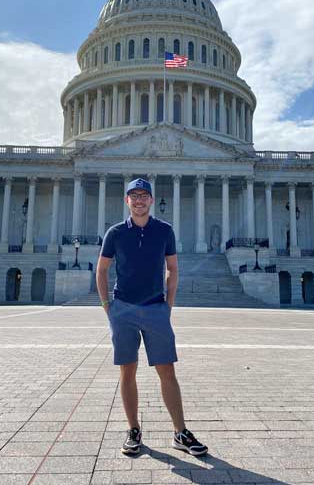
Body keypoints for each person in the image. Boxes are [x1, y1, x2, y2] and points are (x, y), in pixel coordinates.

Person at [96, 177, 208, 457]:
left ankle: (180, 432)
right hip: (123, 308)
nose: (139, 200)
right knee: (127, 370)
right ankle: (133, 430)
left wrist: (167, 306)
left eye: (144, 195)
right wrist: (107, 306)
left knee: (167, 370)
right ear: (127, 200)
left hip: (156, 308)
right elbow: (101, 270)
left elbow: (172, 268)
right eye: (134, 195)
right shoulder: (115, 233)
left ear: (151, 200)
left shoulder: (164, 231)